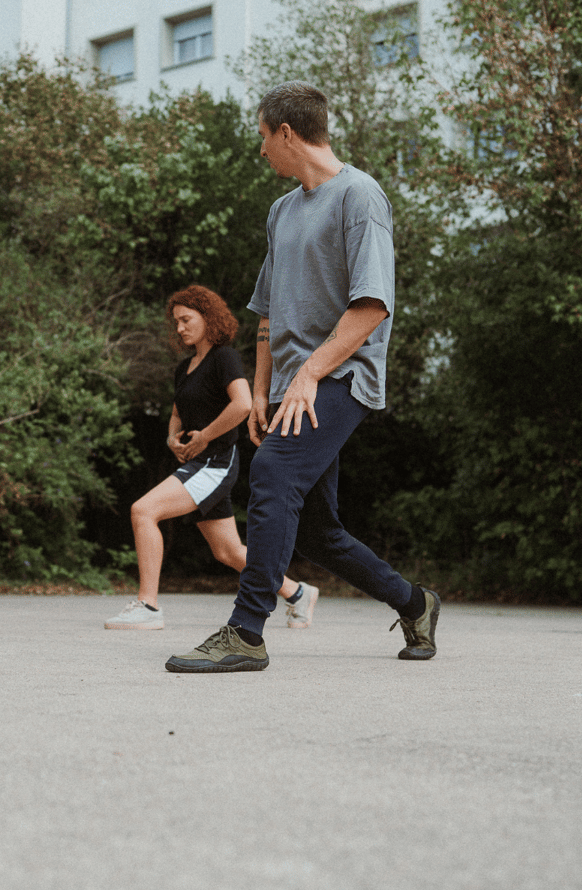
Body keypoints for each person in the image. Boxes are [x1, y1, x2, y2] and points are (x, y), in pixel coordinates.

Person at [165, 82, 439, 673]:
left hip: (341, 375)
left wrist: (310, 373)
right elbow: (267, 312)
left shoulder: (360, 197)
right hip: (293, 386)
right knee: (316, 531)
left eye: (264, 136)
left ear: (287, 133)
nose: (261, 149)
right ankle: (416, 603)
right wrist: (263, 389)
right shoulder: (282, 211)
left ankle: (246, 632)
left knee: (272, 473)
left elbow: (372, 306)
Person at [105, 285, 317, 631]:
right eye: (176, 322)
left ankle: (148, 605)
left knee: (143, 510)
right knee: (229, 552)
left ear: (208, 317)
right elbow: (178, 412)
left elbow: (243, 404)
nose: (179, 328)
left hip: (215, 463)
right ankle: (297, 593)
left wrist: (205, 435)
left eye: (186, 319)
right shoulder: (185, 368)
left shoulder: (224, 358)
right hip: (195, 464)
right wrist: (172, 436)